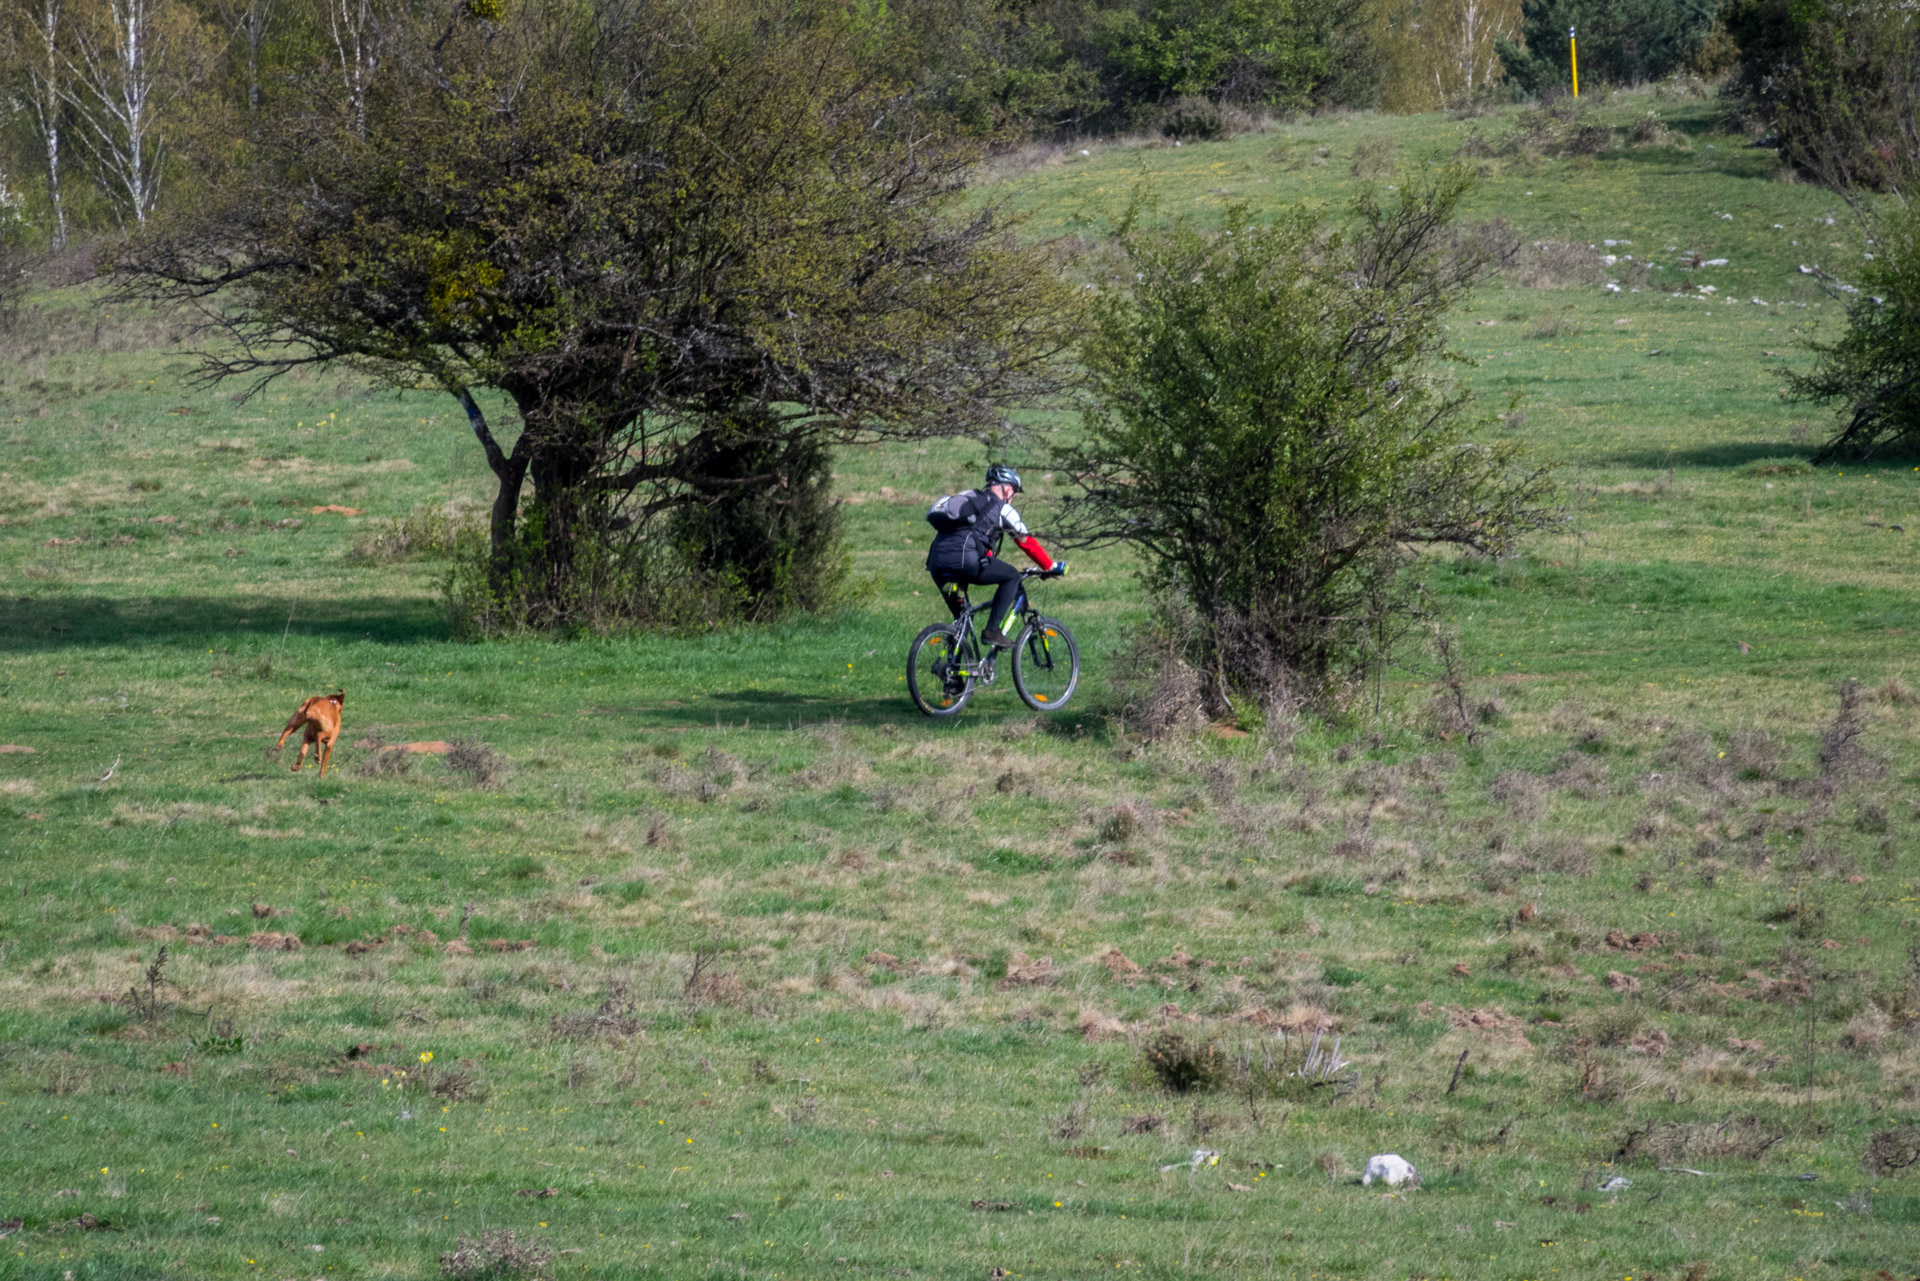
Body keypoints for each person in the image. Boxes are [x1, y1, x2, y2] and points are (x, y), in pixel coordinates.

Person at [924, 465, 1065, 648]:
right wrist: (1049, 566)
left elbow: (975, 538)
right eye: (1014, 491)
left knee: (962, 619)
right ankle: (992, 631)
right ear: (1007, 489)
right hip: (966, 563)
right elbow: (1026, 541)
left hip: (938, 566)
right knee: (1012, 576)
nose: (1013, 496)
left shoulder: (970, 498)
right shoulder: (1001, 508)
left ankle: (954, 671)